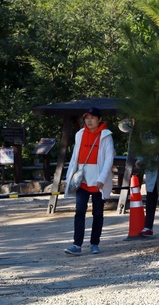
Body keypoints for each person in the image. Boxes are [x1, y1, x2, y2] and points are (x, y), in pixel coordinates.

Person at [63, 107, 115, 255]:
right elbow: (75, 157)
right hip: (83, 180)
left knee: (98, 213)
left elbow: (108, 159)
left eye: (92, 117)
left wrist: (102, 178)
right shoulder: (80, 134)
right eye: (87, 118)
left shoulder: (106, 135)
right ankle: (77, 244)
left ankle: (94, 243)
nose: (89, 120)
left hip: (98, 181)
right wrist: (70, 176)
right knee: (79, 211)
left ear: (99, 119)